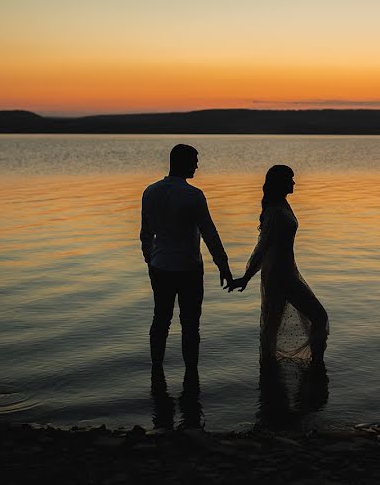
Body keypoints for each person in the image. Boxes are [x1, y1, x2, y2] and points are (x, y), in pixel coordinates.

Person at [140, 144, 233, 372]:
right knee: (190, 325)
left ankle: (156, 368)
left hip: (160, 266)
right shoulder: (194, 195)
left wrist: (150, 259)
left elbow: (145, 234)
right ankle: (191, 372)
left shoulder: (150, 191)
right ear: (182, 163)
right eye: (194, 161)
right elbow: (210, 233)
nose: (197, 166)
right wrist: (223, 265)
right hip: (188, 269)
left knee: (160, 319)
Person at [228, 165, 328, 366]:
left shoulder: (282, 204)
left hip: (285, 271)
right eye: (290, 178)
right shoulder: (274, 211)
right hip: (280, 274)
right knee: (318, 316)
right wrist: (247, 277)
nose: (294, 182)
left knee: (273, 323)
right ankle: (315, 366)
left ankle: (269, 368)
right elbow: (262, 248)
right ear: (280, 182)